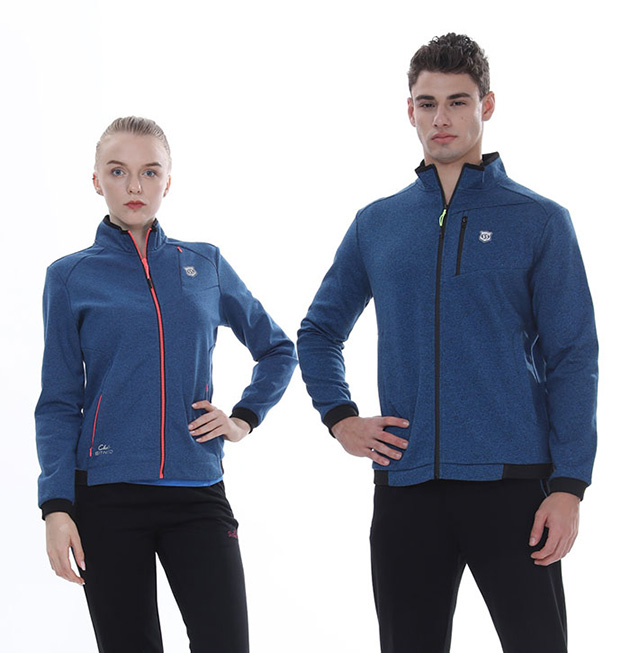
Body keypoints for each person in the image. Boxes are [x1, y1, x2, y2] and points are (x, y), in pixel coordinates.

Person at [297, 34, 597, 653]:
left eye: (457, 102)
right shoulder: (377, 223)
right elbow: (319, 331)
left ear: (487, 105)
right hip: (407, 488)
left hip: (514, 485)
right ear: (409, 110)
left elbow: (573, 356)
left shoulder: (539, 220)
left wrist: (569, 485)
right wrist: (341, 417)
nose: (441, 118)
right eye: (427, 103)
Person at [35, 116, 297, 653]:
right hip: (106, 497)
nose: (135, 185)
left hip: (196, 491)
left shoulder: (204, 263)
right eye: (118, 171)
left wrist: (243, 419)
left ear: (168, 181)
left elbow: (277, 348)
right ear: (96, 180)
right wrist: (56, 506)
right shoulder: (69, 277)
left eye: (150, 172)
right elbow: (59, 401)